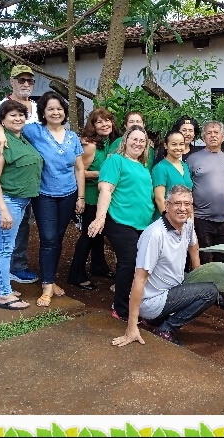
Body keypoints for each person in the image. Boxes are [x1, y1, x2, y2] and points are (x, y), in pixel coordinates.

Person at [0, 91, 85, 307]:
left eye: (59, 108)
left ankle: (50, 280)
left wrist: (80, 196)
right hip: (44, 195)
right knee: (49, 238)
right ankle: (47, 284)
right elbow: (6, 123)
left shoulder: (73, 137)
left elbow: (79, 167)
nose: (55, 112)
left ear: (65, 112)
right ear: (43, 112)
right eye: (50, 108)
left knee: (59, 237)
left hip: (69, 194)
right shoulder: (34, 131)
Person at [111, 185, 218, 347]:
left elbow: (194, 246)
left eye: (187, 204)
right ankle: (166, 328)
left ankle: (158, 320)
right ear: (167, 206)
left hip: (171, 290)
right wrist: (132, 327)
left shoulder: (187, 224)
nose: (183, 208)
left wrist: (197, 276)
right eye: (177, 204)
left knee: (204, 286)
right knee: (210, 292)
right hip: (151, 301)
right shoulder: (155, 235)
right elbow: (139, 280)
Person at [0, 100, 43, 310]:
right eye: (12, 115)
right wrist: (3, 210)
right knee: (4, 249)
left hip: (16, 201)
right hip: (5, 201)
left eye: (21, 115)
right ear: (2, 120)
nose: (18, 119)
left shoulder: (21, 139)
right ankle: (5, 296)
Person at [88, 125, 155, 321]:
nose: (138, 143)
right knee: (129, 262)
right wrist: (100, 218)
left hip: (142, 224)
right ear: (125, 141)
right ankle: (121, 308)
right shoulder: (115, 160)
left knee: (139, 265)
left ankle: (134, 303)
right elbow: (106, 190)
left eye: (142, 141)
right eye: (134, 139)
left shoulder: (142, 167)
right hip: (120, 220)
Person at [0, 64, 40, 285]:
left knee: (22, 224)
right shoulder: (2, 105)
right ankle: (9, 274)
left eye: (29, 80)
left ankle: (6, 273)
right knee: (7, 232)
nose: (25, 84)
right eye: (21, 80)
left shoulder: (36, 106)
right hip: (11, 181)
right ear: (12, 82)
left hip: (32, 177)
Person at [67, 109, 120, 289]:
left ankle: (98, 265)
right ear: (93, 125)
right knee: (88, 235)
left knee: (99, 235)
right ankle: (76, 274)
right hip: (90, 196)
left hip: (104, 196)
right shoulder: (89, 145)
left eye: (107, 121)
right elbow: (80, 172)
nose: (105, 124)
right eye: (99, 122)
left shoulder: (110, 144)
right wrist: (105, 174)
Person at [186, 120, 224, 267]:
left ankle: (220, 289)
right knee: (202, 259)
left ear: (223, 137)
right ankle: (203, 290)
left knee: (223, 260)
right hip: (201, 219)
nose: (213, 136)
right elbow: (186, 190)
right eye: (209, 133)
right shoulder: (192, 160)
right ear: (203, 137)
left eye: (216, 133)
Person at [151, 130, 193, 220]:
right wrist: (170, 223)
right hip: (167, 222)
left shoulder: (184, 166)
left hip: (184, 219)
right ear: (166, 146)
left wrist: (191, 225)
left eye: (181, 144)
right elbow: (159, 199)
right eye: (174, 144)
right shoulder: (160, 168)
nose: (178, 148)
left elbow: (189, 198)